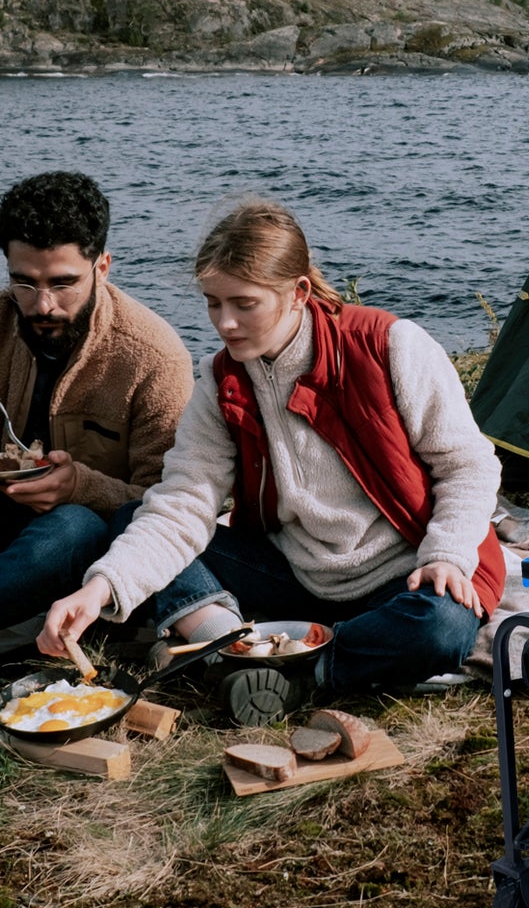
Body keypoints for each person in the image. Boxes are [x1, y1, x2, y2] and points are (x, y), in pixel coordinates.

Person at [40, 198, 505, 715]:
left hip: (408, 572)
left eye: (244, 304)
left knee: (440, 627)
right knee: (135, 519)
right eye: (213, 303)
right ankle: (243, 648)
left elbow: (468, 466)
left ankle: (282, 671)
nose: (225, 323)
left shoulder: (391, 346)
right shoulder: (219, 381)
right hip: (296, 577)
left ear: (298, 292)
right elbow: (182, 506)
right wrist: (100, 589)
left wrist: (446, 554)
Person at [0, 171, 193, 631]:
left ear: (102, 267)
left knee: (73, 528)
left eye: (63, 284)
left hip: (89, 550)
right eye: (24, 283)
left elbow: (166, 505)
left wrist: (79, 488)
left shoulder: (154, 358)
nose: (42, 305)